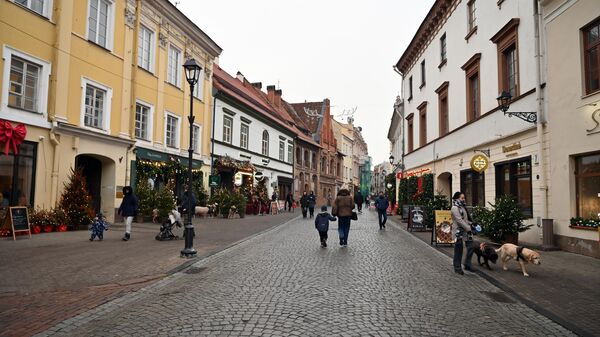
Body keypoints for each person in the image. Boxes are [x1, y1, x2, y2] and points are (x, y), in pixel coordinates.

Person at [451, 191, 475, 275]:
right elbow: (459, 220)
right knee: (459, 250)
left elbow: (465, 219)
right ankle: (457, 267)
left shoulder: (463, 207)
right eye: (462, 198)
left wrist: (472, 224)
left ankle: (467, 264)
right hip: (459, 231)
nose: (464, 199)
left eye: (464, 198)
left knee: (471, 246)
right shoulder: (455, 208)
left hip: (466, 230)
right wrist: (468, 228)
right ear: (457, 198)